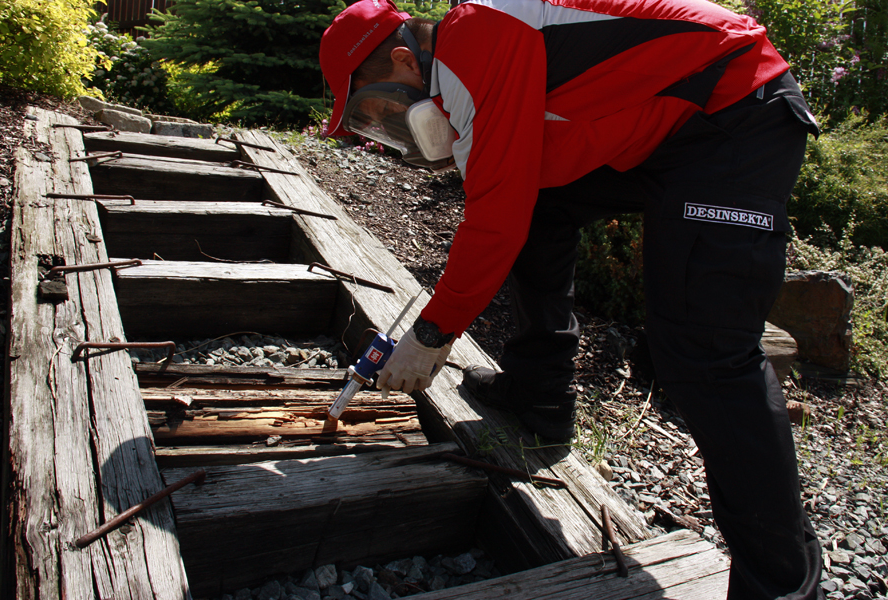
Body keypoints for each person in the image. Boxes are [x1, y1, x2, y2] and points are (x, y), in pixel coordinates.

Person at [320, 0, 824, 597]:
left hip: (734, 110)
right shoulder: (466, 60)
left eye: (379, 107)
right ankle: (541, 396)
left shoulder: (474, 37)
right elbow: (507, 191)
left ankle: (782, 581)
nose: (390, 122)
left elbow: (494, 220)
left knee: (704, 353)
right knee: (539, 206)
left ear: (404, 59)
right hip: (661, 127)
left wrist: (432, 333)